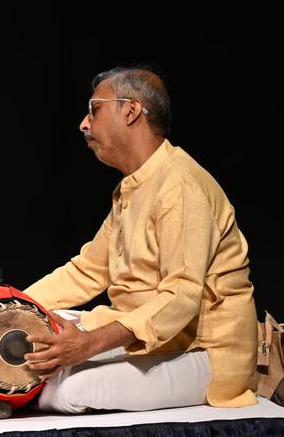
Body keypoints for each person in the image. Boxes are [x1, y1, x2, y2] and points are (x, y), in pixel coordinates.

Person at [23, 67, 258, 413]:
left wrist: (88, 345)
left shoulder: (180, 186)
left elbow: (180, 299)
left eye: (94, 109)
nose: (83, 124)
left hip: (207, 353)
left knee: (67, 389)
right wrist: (3, 305)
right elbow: (89, 269)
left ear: (131, 111)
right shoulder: (133, 186)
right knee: (42, 324)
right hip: (155, 340)